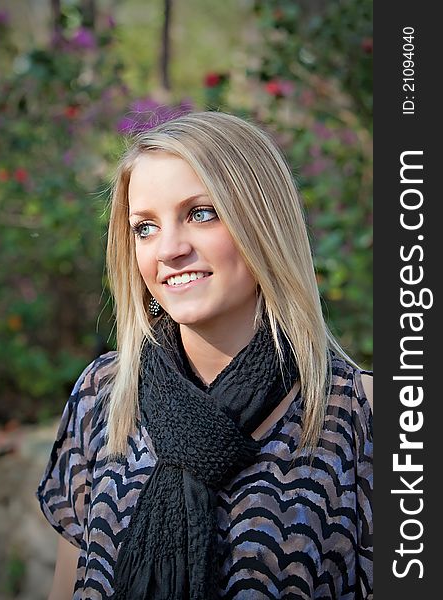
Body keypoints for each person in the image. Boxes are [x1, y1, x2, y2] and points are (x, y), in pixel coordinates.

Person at [36, 111, 373, 600]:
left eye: (201, 213)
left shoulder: (365, 411)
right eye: (144, 228)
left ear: (263, 224)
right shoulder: (104, 395)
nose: (168, 249)